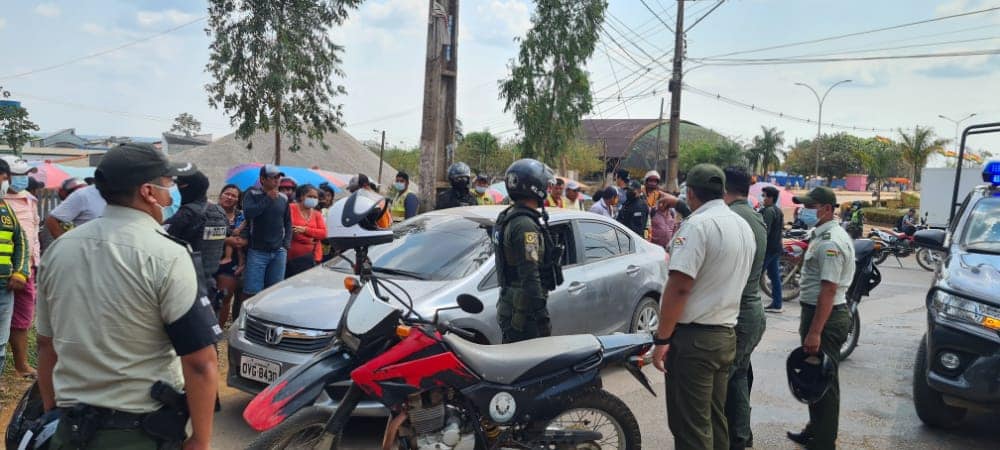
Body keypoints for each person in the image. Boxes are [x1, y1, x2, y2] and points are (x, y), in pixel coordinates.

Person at [35, 143, 220, 449]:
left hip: (69, 432)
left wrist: (53, 413)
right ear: (149, 192)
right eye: (168, 184)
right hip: (139, 435)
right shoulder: (168, 255)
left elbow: (45, 344)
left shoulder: (59, 249)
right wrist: (200, 440)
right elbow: (200, 362)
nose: (171, 194)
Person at [651, 164, 755, 450]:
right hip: (724, 335)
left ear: (692, 193)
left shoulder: (697, 226)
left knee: (691, 428)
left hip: (694, 340)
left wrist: (662, 339)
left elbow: (680, 286)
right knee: (714, 418)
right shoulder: (741, 225)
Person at [786, 187, 856, 450]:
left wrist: (815, 331)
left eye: (810, 206)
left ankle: (824, 441)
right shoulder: (822, 234)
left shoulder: (831, 242)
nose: (805, 210)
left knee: (825, 383)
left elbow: (828, 289)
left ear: (826, 209)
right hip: (817, 312)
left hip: (824, 317)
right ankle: (815, 429)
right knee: (814, 377)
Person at [723, 167, 767, 450]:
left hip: (738, 314)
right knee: (739, 374)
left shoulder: (731, 219)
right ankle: (741, 436)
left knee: (727, 379)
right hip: (752, 311)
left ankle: (736, 439)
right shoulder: (754, 216)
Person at [495, 159, 562, 343]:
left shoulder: (509, 215)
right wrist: (542, 315)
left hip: (513, 304)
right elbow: (529, 272)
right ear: (535, 186)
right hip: (523, 313)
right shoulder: (525, 226)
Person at [164, 170, 229, 313]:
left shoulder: (187, 213)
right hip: (209, 284)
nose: (175, 189)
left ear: (188, 187)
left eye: (179, 185)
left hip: (185, 285)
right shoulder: (219, 212)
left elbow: (162, 240)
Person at [2, 157, 40, 379]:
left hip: (26, 268)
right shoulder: (2, 200)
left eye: (26, 174)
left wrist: (31, 264)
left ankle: (21, 364)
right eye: (19, 174)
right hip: (4, 267)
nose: (23, 178)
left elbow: (31, 236)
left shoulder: (30, 200)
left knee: (22, 318)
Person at [241, 164, 292, 298]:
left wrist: (286, 245)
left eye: (278, 177)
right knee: (252, 292)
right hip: (257, 251)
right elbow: (249, 214)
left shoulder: (284, 198)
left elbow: (287, 222)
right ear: (262, 179)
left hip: (279, 251)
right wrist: (267, 199)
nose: (277, 180)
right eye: (273, 177)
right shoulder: (252, 193)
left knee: (274, 292)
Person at [215, 184, 246, 325]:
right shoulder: (210, 211)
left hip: (232, 263)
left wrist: (242, 242)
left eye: (234, 195)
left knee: (225, 297)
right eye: (227, 193)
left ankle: (218, 333)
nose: (229, 197)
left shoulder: (242, 216)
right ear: (220, 194)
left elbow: (247, 237)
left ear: (238, 200)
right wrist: (227, 240)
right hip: (210, 259)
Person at [286, 184, 328, 278]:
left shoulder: (317, 214)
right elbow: (292, 230)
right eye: (310, 196)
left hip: (312, 258)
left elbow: (323, 234)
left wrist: (305, 230)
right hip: (291, 258)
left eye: (315, 197)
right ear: (302, 196)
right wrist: (310, 240)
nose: (313, 199)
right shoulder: (290, 208)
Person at [760, 186, 785, 313]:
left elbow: (764, 231)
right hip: (776, 248)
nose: (763, 198)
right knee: (774, 277)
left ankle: (750, 303)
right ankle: (777, 303)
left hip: (768, 248)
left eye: (764, 196)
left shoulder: (769, 211)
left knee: (756, 275)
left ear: (771, 198)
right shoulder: (778, 210)